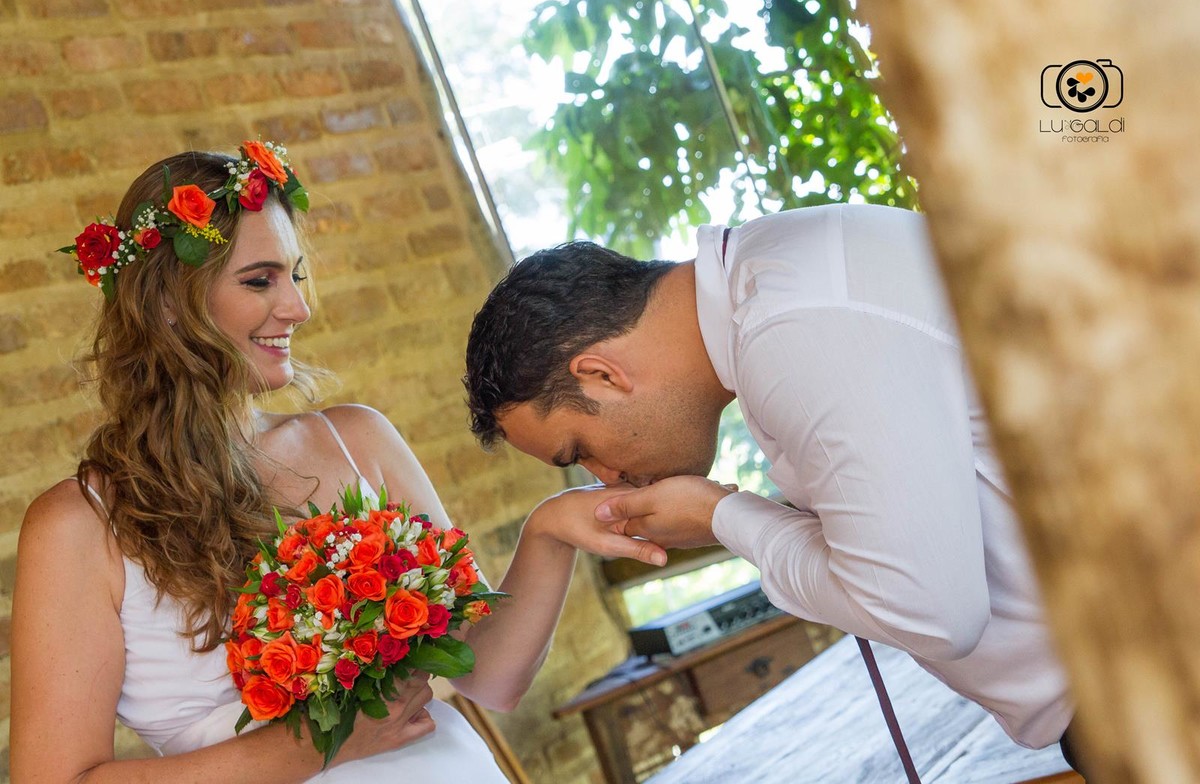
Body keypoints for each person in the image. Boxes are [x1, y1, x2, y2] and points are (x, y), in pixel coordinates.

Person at [11, 144, 660, 783]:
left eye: (294, 274)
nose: (297, 307)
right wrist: (316, 748)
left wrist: (550, 532)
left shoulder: (359, 440)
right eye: (259, 279)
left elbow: (488, 676)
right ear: (167, 302)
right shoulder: (80, 527)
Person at [462, 204, 1080, 762]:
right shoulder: (773, 286)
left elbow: (932, 613)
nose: (606, 479)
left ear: (600, 374)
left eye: (582, 451)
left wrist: (722, 518)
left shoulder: (790, 328)